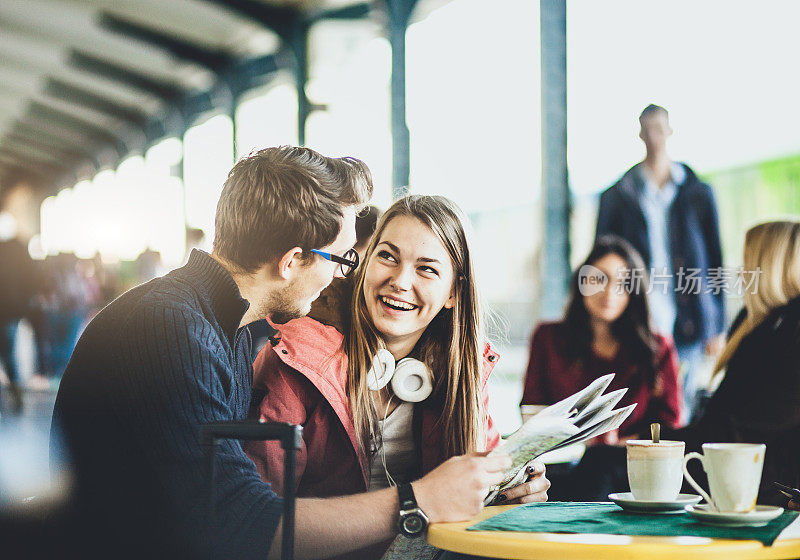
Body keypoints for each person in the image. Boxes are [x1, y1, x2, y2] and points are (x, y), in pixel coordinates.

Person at [50, 147, 513, 560]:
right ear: (291, 261)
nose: (341, 279)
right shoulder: (172, 331)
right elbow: (239, 527)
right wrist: (419, 500)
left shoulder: (219, 326)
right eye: (342, 260)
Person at [247, 195, 549, 559]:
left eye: (427, 269)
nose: (400, 281)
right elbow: (254, 528)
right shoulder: (296, 360)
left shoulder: (465, 369)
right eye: (387, 256)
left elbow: (478, 492)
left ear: (453, 291)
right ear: (364, 263)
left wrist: (513, 493)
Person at [596, 104, 725, 423]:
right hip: (638, 316)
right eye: (647, 129)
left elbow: (716, 260)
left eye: (659, 128)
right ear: (640, 134)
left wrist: (718, 325)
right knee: (640, 407)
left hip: (691, 318)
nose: (653, 137)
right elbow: (601, 260)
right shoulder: (617, 196)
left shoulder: (698, 192)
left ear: (669, 132)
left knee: (686, 411)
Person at [664, 221, 800, 506]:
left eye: (747, 262)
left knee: (609, 465)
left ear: (769, 266)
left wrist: (656, 440)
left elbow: (735, 424)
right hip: (734, 464)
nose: (740, 272)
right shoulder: (758, 323)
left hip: (754, 478)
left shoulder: (787, 330)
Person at [521, 236, 682, 438]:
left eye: (623, 283)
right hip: (561, 463)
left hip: (629, 462)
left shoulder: (657, 347)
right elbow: (531, 411)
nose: (609, 292)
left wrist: (620, 443)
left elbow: (670, 425)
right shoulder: (546, 338)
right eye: (599, 279)